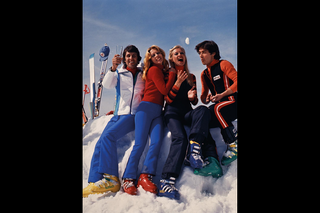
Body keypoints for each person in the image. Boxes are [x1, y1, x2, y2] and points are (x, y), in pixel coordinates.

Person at [157, 45, 223, 200]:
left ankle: (194, 148)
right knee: (179, 138)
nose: (180, 55)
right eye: (176, 53)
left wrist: (192, 97)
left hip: (186, 111)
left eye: (182, 53)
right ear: (171, 58)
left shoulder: (191, 77)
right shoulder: (168, 74)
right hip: (172, 112)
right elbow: (168, 99)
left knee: (203, 110)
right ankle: (166, 180)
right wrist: (177, 84)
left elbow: (193, 103)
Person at [83, 45, 145, 198]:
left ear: (138, 58)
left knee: (108, 137)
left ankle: (111, 178)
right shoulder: (119, 72)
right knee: (99, 143)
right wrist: (112, 67)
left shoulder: (143, 74)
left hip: (132, 115)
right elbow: (107, 84)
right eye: (128, 56)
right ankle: (95, 181)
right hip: (118, 114)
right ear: (124, 58)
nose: (131, 58)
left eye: (134, 56)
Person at [122, 45, 176, 195]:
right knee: (140, 143)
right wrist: (172, 74)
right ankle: (128, 178)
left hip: (158, 112)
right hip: (145, 110)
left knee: (157, 142)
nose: (157, 55)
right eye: (153, 55)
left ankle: (146, 176)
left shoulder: (161, 70)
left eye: (158, 52)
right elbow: (164, 90)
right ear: (149, 59)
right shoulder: (153, 70)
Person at [195, 40, 238, 166]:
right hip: (220, 106)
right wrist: (205, 98)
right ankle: (211, 157)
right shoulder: (204, 74)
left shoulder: (224, 64)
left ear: (213, 53)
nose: (201, 56)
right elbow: (203, 98)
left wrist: (223, 95)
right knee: (203, 117)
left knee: (215, 108)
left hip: (233, 101)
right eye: (199, 53)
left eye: (204, 52)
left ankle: (233, 144)